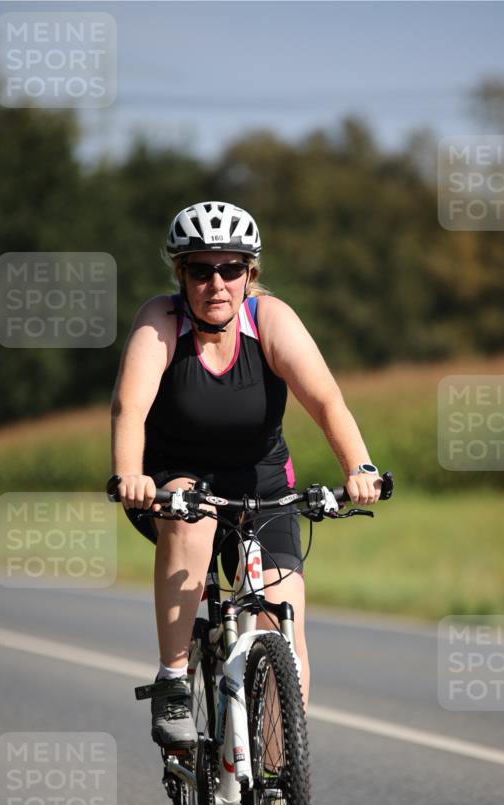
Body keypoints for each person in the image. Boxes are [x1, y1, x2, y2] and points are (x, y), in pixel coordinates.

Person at [109, 200, 381, 749]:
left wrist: (361, 466)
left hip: (261, 483)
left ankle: (279, 792)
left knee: (283, 629)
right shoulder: (161, 323)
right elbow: (129, 409)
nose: (216, 282)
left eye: (230, 268)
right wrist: (129, 475)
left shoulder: (269, 320)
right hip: (176, 480)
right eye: (200, 269)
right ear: (179, 274)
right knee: (196, 522)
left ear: (249, 273)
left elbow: (327, 400)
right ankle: (172, 682)